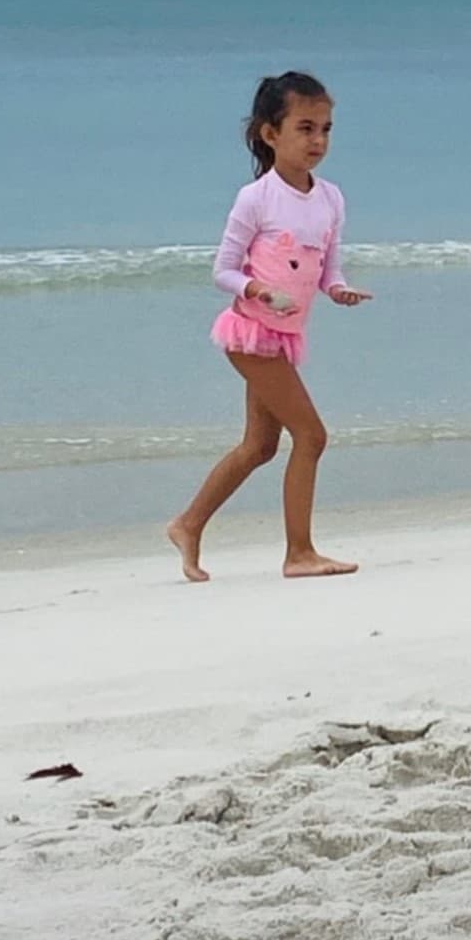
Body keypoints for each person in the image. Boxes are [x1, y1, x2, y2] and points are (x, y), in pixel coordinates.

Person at [167, 71, 371, 583]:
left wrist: (338, 290)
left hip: (286, 337)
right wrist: (255, 290)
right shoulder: (255, 199)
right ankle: (299, 552)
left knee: (260, 446)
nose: (318, 141)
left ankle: (188, 525)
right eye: (304, 128)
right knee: (312, 435)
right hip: (249, 334)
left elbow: (329, 266)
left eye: (325, 129)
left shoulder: (331, 198)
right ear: (270, 133)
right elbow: (223, 271)